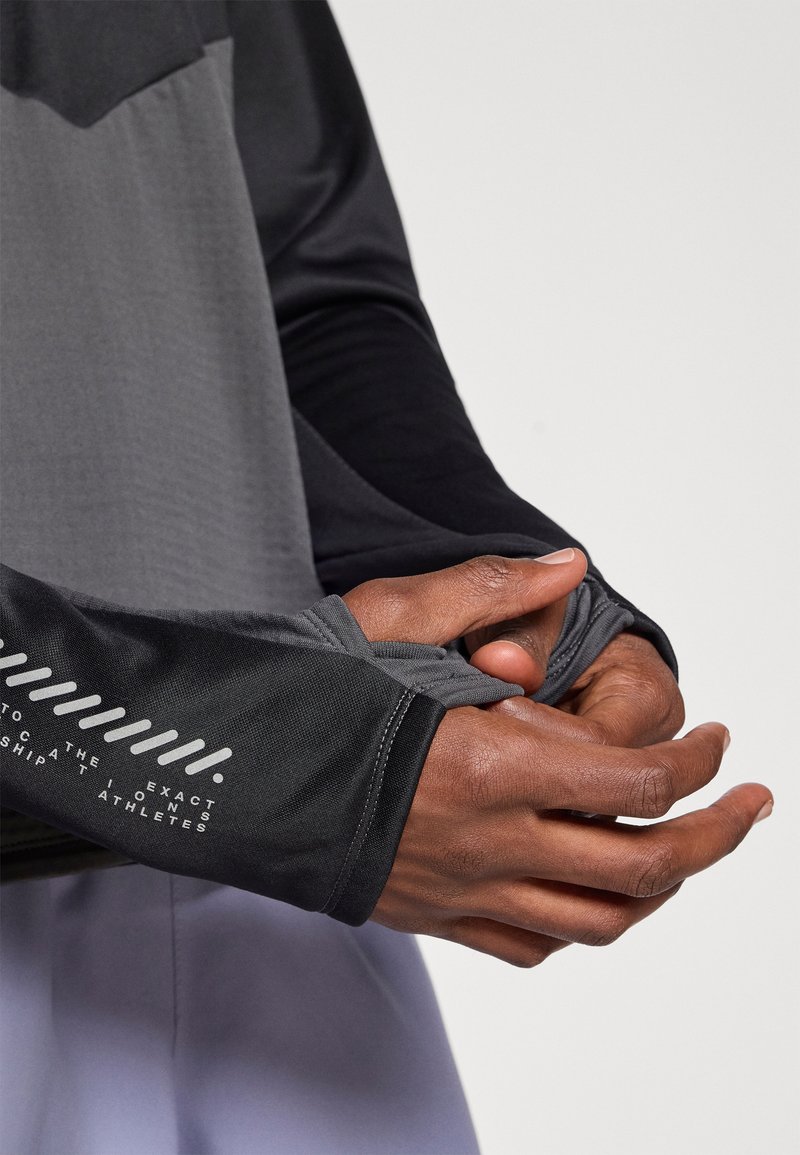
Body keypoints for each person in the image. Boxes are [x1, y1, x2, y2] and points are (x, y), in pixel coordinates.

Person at [0, 3, 772, 1153]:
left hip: (278, 897)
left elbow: (306, 282)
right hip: (258, 802)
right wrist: (288, 770)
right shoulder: (301, 781)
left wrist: (509, 604)